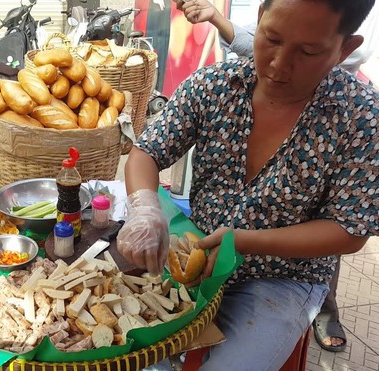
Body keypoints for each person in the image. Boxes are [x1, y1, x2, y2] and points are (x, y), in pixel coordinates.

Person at [118, 0, 378, 369]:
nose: (279, 64)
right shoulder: (214, 85)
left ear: (344, 49)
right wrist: (144, 209)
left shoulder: (362, 117)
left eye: (307, 52)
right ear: (259, 20)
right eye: (271, 38)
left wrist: (241, 241)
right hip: (195, 254)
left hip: (283, 277)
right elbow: (147, 151)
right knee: (129, 349)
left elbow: (350, 231)